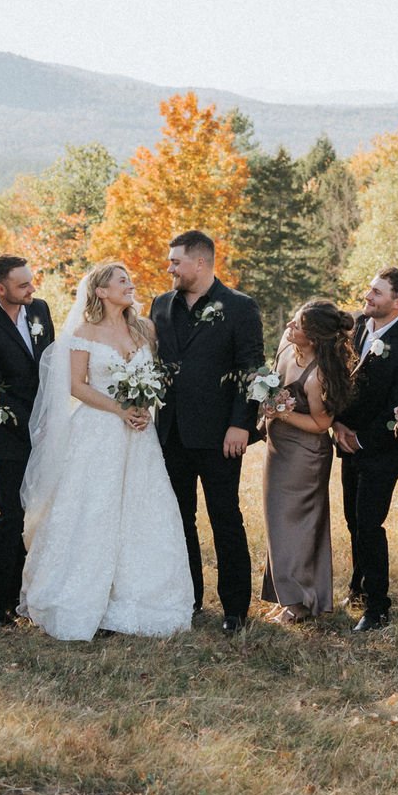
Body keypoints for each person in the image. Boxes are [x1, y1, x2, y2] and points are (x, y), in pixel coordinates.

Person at [20, 262, 193, 641]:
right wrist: (120, 410)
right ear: (101, 291)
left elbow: (155, 376)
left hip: (140, 437)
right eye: (122, 281)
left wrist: (145, 405)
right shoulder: (83, 332)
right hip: (99, 431)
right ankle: (85, 599)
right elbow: (77, 386)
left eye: (130, 279)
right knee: (94, 509)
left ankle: (139, 599)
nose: (131, 285)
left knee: (141, 509)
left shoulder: (143, 328)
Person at [150, 230, 265, 632]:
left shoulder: (239, 307)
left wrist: (240, 424)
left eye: (175, 262)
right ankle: (189, 598)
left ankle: (235, 609)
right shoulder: (161, 305)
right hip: (171, 434)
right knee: (179, 520)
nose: (170, 268)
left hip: (221, 436)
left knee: (225, 518)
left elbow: (252, 369)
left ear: (200, 263)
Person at [332, 267, 398, 633]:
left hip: (381, 450)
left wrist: (363, 438)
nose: (368, 296)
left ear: (397, 302)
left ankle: (378, 608)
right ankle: (358, 587)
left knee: (370, 524)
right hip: (346, 440)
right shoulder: (357, 327)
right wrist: (339, 423)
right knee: (351, 519)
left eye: (376, 292)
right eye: (370, 290)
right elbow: (339, 377)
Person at [0, 255, 55, 623]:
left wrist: (51, 419)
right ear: (0, 289)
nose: (32, 289)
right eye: (22, 285)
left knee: (41, 513)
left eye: (31, 282)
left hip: (47, 430)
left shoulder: (40, 311)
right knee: (12, 515)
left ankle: (28, 593)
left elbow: (50, 365)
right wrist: (31, 424)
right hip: (10, 435)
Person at [258, 300, 356, 624]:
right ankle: (286, 595)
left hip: (305, 455)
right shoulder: (287, 347)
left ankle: (301, 602)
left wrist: (282, 413)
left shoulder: (319, 375)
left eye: (297, 325)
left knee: (298, 526)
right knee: (278, 523)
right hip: (278, 449)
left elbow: (320, 424)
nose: (289, 327)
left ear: (312, 340)